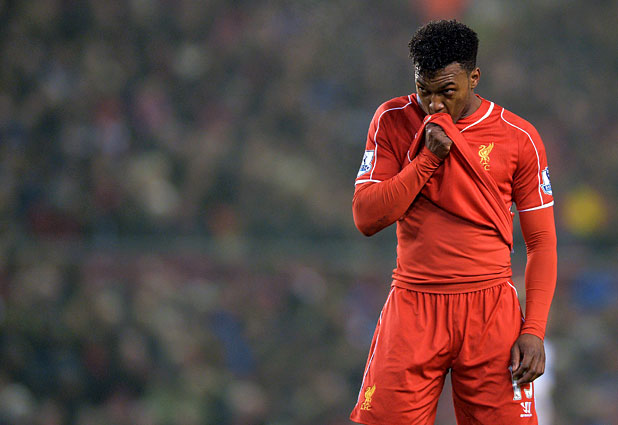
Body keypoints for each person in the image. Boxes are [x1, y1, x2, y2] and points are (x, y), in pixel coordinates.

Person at [350, 20, 557, 425]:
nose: (434, 105)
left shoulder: (519, 137)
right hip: (414, 304)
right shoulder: (392, 119)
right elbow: (367, 217)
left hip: (490, 311)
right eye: (423, 90)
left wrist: (533, 330)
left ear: (473, 78)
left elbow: (542, 243)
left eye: (447, 91)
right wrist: (427, 159)